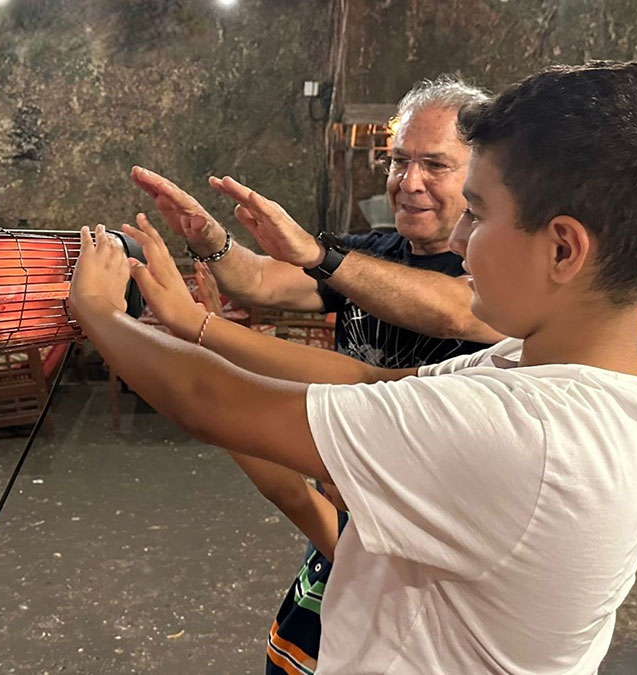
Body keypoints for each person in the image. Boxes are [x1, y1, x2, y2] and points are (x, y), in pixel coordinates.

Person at [68, 60, 637, 673]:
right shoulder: (591, 382)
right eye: (400, 162)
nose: (460, 238)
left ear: (563, 249)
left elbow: (214, 404)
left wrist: (102, 317)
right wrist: (196, 325)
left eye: (478, 213)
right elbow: (366, 380)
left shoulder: (522, 433)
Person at [133, 76, 499, 673]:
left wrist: (204, 330)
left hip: (425, 539)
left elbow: (454, 310)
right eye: (399, 161)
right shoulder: (374, 250)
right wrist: (212, 240)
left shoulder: (500, 276)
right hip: (342, 506)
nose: (409, 183)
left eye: (435, 164)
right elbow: (260, 280)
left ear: (483, 174)